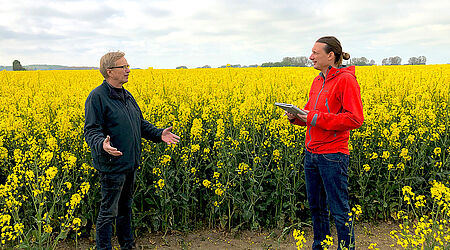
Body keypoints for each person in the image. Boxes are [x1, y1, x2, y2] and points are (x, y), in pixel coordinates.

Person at [84, 51, 180, 250]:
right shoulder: (97, 97)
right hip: (112, 166)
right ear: (110, 71)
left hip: (129, 163)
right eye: (123, 67)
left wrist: (158, 134)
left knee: (125, 209)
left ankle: (127, 245)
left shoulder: (126, 95)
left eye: (128, 66)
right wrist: (102, 144)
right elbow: (91, 130)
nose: (128, 70)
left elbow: (139, 123)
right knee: (108, 211)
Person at [286, 36, 364, 250]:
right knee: (316, 207)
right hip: (311, 153)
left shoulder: (346, 80)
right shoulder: (318, 80)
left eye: (315, 53)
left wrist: (313, 118)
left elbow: (355, 119)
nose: (310, 57)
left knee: (339, 209)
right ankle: (320, 245)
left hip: (333, 155)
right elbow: (311, 113)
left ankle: (346, 247)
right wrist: (296, 116)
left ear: (330, 56)